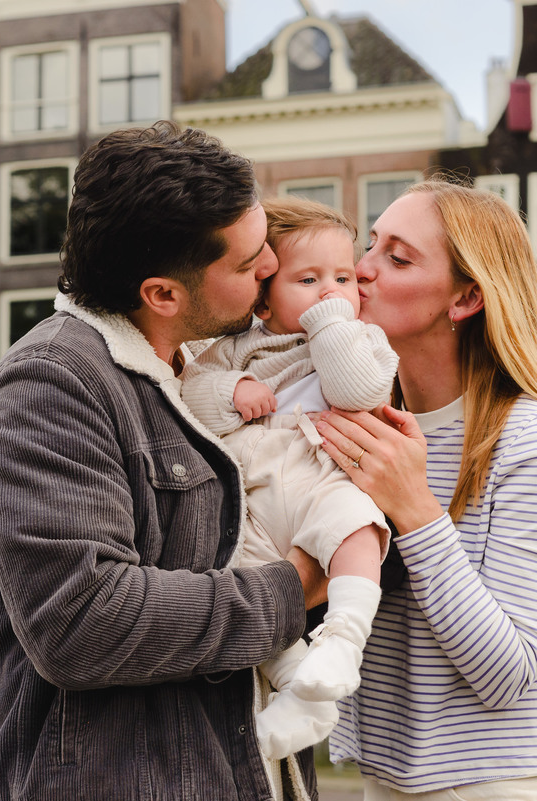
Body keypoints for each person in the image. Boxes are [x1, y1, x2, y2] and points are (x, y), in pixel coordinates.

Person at [0, 122, 324, 801]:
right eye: (249, 265)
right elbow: (82, 621)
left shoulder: (211, 374)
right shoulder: (51, 386)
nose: (272, 269)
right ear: (163, 294)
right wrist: (293, 587)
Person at [310, 176, 537, 799]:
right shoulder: (362, 429)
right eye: (370, 246)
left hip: (512, 785)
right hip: (389, 781)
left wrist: (416, 511)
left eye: (397, 258)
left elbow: (509, 672)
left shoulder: (536, 439)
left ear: (466, 298)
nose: (360, 271)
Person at [180, 196, 398, 758]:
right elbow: (191, 402)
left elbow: (357, 391)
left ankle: (345, 638)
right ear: (263, 294)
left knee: (357, 528)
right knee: (237, 573)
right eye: (308, 279)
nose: (332, 290)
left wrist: (328, 321)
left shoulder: (363, 342)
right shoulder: (231, 350)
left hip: (322, 474)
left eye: (344, 277)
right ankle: (300, 689)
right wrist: (232, 391)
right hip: (251, 492)